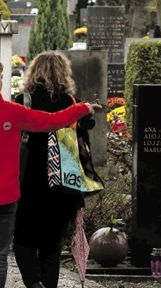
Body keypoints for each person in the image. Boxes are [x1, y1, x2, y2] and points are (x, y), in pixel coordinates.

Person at [0, 55, 101, 288]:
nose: (2, 81)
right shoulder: (11, 111)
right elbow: (51, 121)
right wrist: (82, 108)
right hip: (8, 196)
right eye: (1, 77)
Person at [13, 52, 97, 288]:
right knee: (52, 244)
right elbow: (83, 149)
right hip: (62, 183)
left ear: (33, 72)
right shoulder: (72, 103)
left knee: (23, 239)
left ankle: (33, 284)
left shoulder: (23, 101)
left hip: (27, 181)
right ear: (63, 73)